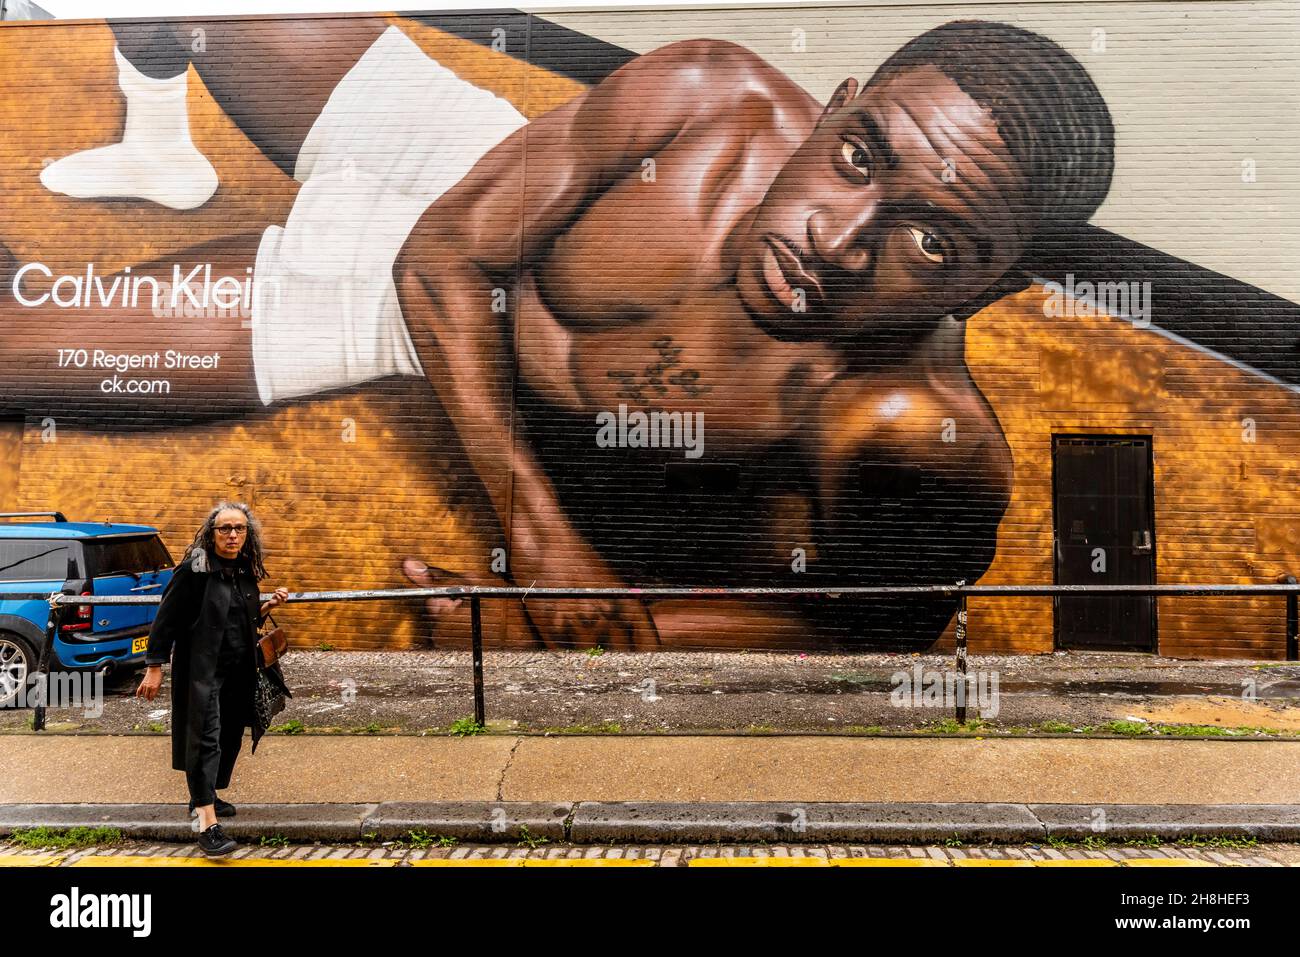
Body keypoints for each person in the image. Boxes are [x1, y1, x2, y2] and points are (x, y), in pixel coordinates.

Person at [11, 19, 1114, 650]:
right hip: (475, 202)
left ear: (996, 287)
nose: (840, 242)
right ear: (830, 109)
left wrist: (541, 628)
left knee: (11, 351)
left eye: (931, 244)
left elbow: (874, 630)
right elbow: (446, 254)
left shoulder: (909, 432)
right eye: (860, 158)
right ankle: (160, 144)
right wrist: (537, 536)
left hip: (388, 313)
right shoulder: (706, 93)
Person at [136, 501, 289, 856]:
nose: (233, 535)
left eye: (239, 529)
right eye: (225, 529)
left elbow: (242, 616)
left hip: (239, 669)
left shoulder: (246, 569)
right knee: (205, 739)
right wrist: (155, 666)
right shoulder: (195, 568)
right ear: (212, 532)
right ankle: (207, 826)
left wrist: (268, 607)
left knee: (228, 735)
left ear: (247, 534)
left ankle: (206, 796)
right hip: (202, 672)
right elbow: (166, 619)